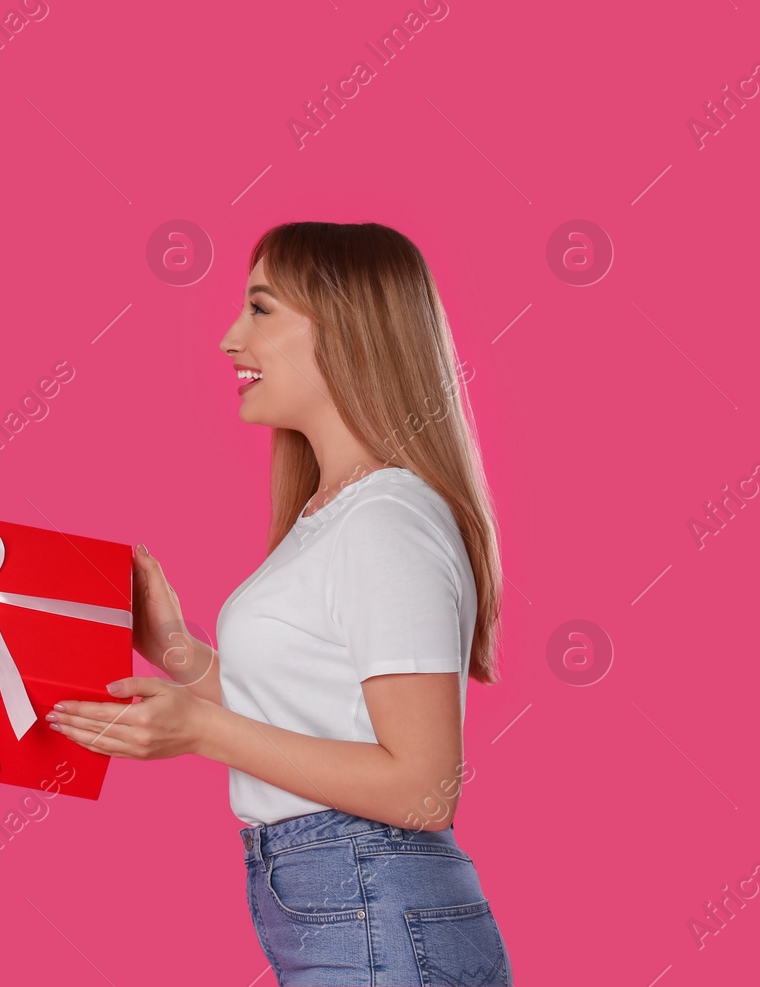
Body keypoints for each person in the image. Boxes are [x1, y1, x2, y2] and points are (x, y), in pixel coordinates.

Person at [49, 222, 513, 986]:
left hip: (372, 898)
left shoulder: (386, 519)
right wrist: (169, 643)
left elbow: (422, 785)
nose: (232, 339)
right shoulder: (333, 513)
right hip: (345, 899)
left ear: (344, 328)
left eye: (261, 309)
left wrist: (200, 729)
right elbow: (306, 711)